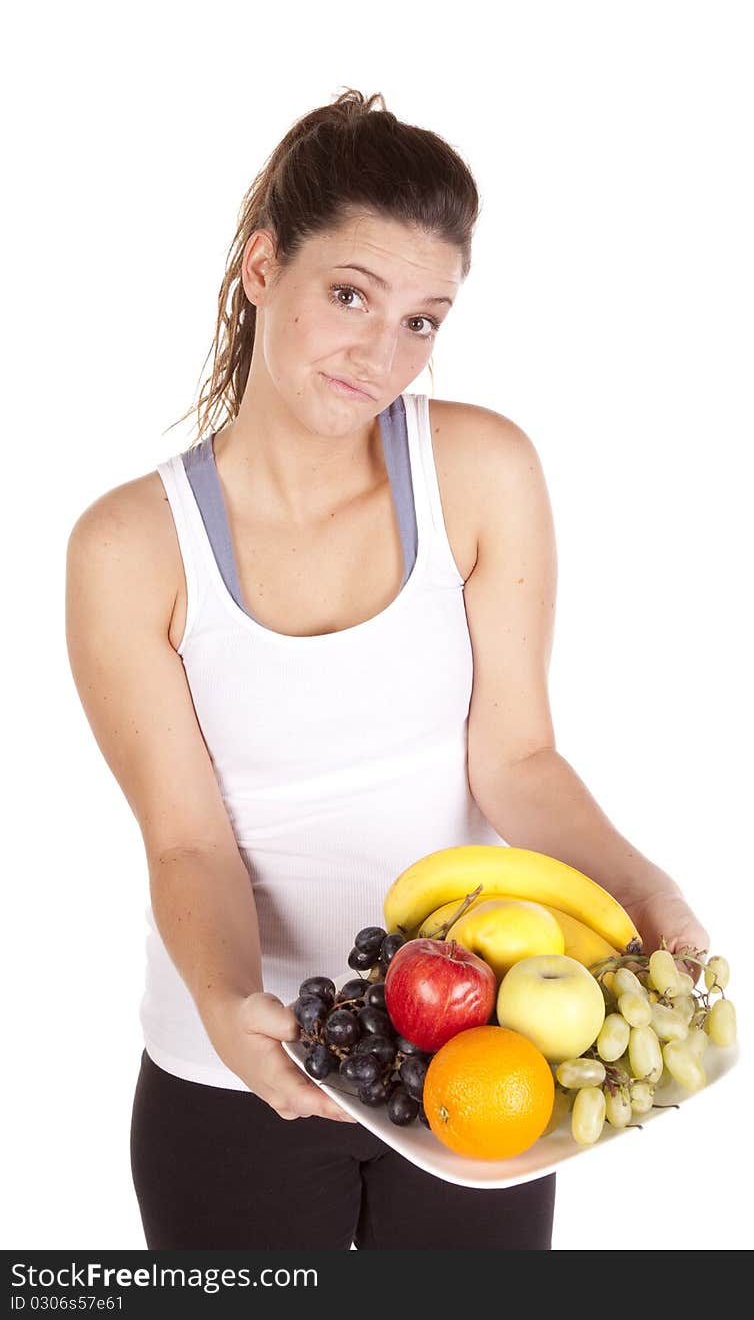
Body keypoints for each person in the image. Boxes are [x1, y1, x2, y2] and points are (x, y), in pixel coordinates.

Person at [65, 88, 710, 1250]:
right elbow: (188, 838)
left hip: (485, 1050)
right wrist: (227, 1007)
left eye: (423, 319)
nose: (382, 353)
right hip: (231, 1074)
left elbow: (514, 756)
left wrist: (645, 891)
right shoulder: (129, 547)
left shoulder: (480, 468)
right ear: (264, 266)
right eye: (350, 295)